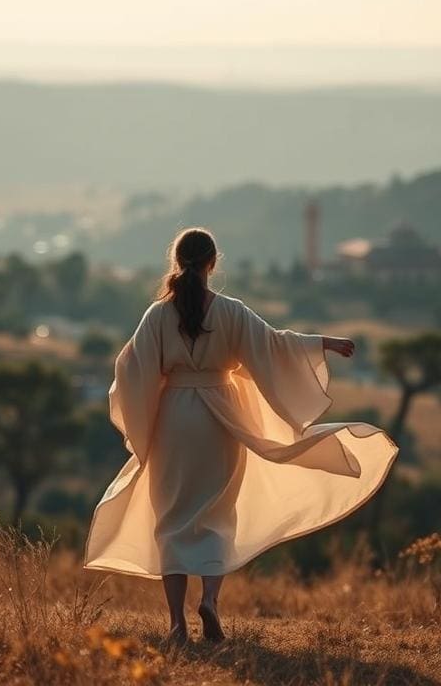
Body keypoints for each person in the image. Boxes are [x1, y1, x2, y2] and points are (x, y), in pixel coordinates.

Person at [84, 227, 397, 645]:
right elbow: (272, 345)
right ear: (213, 263)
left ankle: (177, 623)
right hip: (221, 419)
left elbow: (131, 371)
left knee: (172, 518)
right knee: (217, 514)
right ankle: (210, 600)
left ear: (176, 261)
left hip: (175, 420)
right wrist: (324, 342)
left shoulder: (157, 315)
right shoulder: (231, 311)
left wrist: (149, 410)